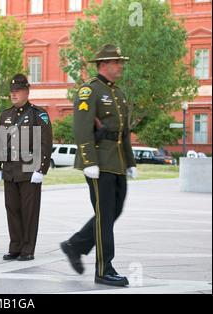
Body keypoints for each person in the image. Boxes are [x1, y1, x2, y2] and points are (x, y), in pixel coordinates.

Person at [60, 44, 137, 287]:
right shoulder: (89, 91)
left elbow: (122, 133)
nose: (120, 65)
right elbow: (82, 128)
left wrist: (130, 162)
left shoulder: (119, 94)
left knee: (113, 211)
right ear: (103, 65)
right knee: (105, 215)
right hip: (99, 163)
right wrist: (89, 161)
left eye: (120, 61)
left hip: (116, 162)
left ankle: (75, 245)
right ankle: (104, 269)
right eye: (117, 62)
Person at [0, 74, 53, 261]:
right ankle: (15, 246)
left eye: (17, 91)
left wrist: (41, 169)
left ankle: (27, 249)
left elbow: (45, 143)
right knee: (12, 210)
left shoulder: (38, 114)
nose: (13, 94)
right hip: (10, 170)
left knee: (29, 211)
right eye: (12, 91)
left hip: (29, 170)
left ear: (27, 92)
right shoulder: (5, 115)